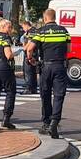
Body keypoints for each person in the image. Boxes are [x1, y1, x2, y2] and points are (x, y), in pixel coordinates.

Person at [25, 8, 71, 139]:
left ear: (45, 18)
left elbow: (29, 49)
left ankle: (46, 123)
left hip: (46, 67)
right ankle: (54, 124)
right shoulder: (64, 31)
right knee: (59, 95)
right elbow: (69, 49)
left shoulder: (41, 31)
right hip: (60, 66)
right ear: (55, 17)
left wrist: (30, 59)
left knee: (45, 95)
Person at [19, 20, 39, 94]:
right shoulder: (33, 31)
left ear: (26, 25)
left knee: (28, 71)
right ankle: (33, 88)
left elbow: (30, 42)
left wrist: (25, 48)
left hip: (30, 53)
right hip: (33, 53)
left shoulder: (31, 32)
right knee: (32, 72)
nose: (23, 29)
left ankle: (29, 88)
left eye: (23, 27)